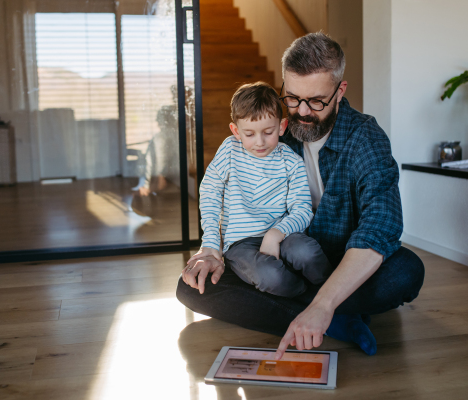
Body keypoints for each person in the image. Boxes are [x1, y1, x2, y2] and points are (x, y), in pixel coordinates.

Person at [177, 32, 425, 358]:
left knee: (405, 273)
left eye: (317, 101)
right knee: (192, 287)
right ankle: (336, 318)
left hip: (339, 262)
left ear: (340, 92)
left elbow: (381, 226)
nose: (303, 112)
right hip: (283, 262)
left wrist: (324, 300)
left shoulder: (366, 138)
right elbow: (222, 194)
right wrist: (211, 248)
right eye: (292, 98)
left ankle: (315, 308)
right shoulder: (275, 133)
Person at [188, 82, 333, 299]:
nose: (260, 142)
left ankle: (334, 294)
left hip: (284, 233)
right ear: (236, 131)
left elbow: (302, 210)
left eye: (268, 132)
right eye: (249, 134)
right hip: (240, 244)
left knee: (307, 253)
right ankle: (307, 299)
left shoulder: (291, 161)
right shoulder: (229, 150)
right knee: (272, 277)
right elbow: (210, 193)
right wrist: (210, 241)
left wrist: (276, 234)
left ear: (282, 127)